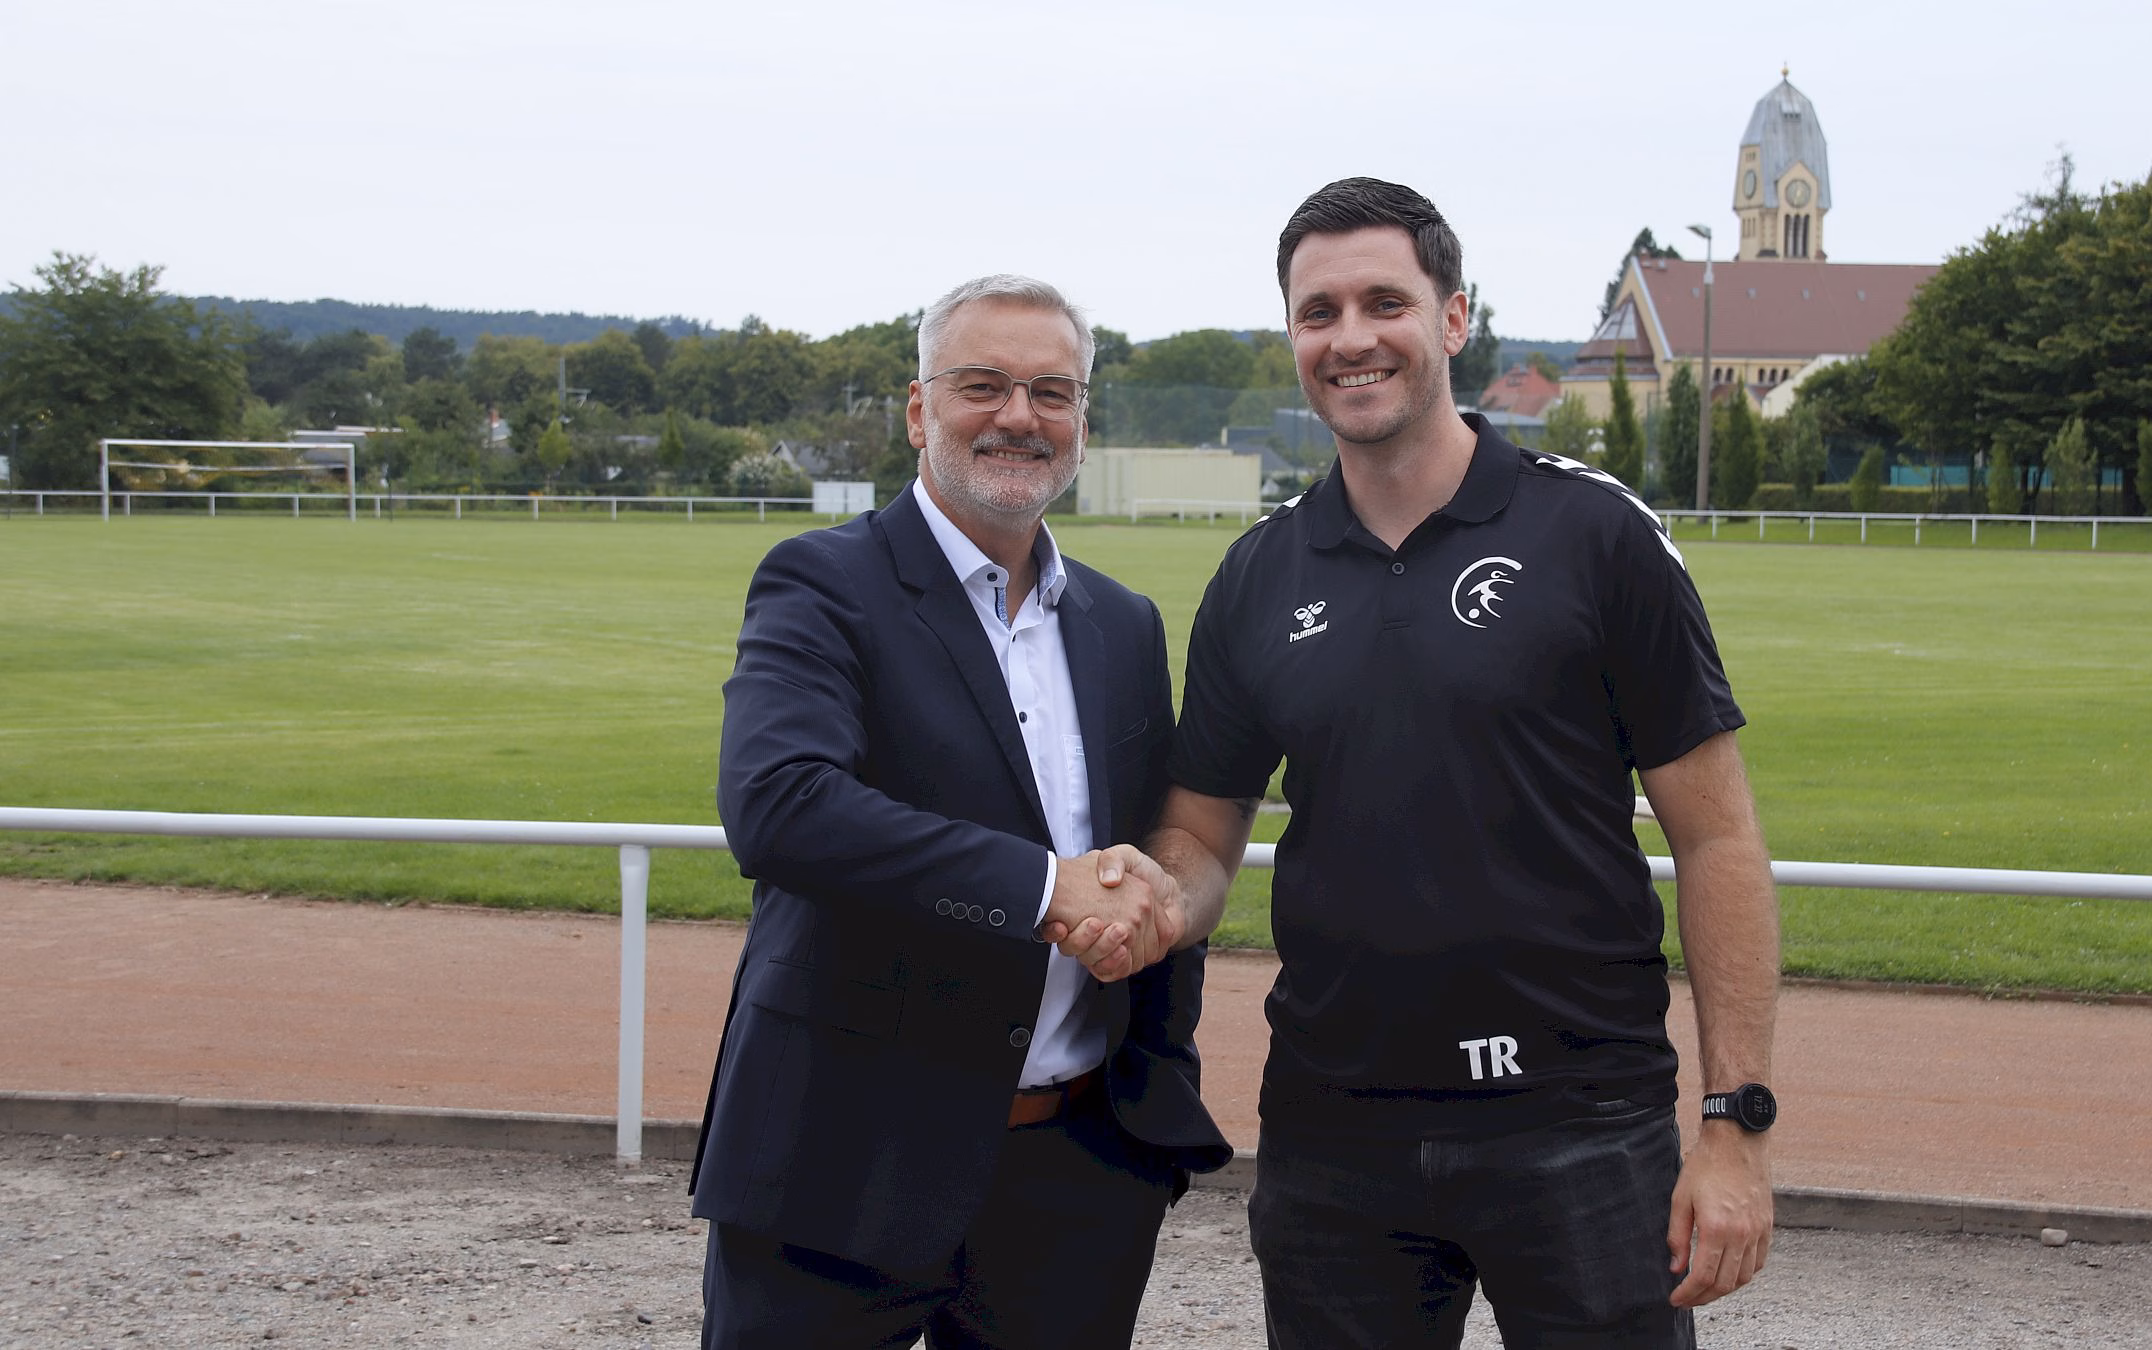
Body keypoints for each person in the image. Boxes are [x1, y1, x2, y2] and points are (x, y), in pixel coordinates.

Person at [1083, 178, 1781, 1347]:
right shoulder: (1257, 576)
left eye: (1383, 302)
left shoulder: (1596, 536)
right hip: (1335, 1134)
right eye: (1319, 312)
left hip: (1579, 1123)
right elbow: (1201, 838)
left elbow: (1719, 838)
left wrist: (1733, 1128)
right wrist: (1156, 900)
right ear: (1294, 337)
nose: (1350, 338)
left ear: (1454, 318)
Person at [692, 274, 1229, 1349]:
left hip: (1074, 1173)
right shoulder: (821, 582)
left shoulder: (1122, 624)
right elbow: (779, 805)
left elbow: (1140, 854)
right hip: (844, 1162)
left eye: (1051, 391)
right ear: (917, 410)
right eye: (982, 385)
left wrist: (1153, 1094)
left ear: (1082, 417)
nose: (1019, 416)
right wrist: (1043, 889)